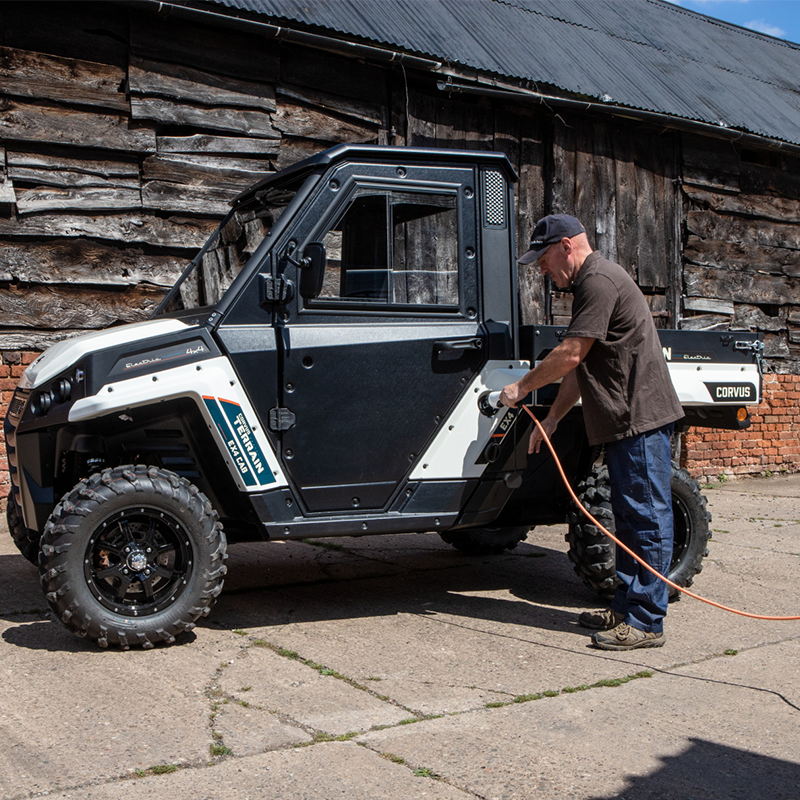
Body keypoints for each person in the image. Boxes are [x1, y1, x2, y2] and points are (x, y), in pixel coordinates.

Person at [500, 214, 683, 650]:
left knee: (646, 519)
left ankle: (645, 622)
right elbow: (581, 368)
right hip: (622, 422)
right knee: (627, 519)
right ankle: (624, 607)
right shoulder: (592, 283)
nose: (542, 271)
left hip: (638, 419)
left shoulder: (597, 281)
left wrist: (521, 387)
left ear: (566, 246)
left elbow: (570, 354)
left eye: (543, 259)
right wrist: (554, 418)